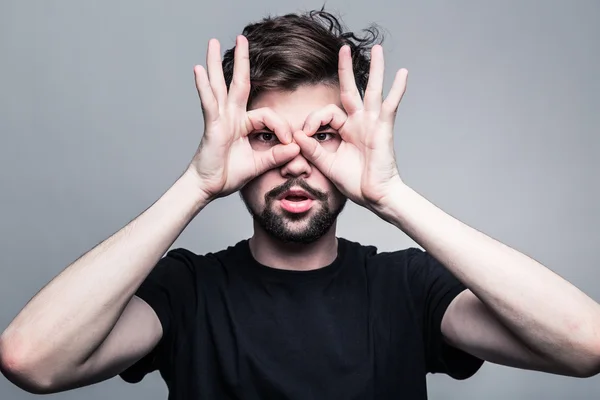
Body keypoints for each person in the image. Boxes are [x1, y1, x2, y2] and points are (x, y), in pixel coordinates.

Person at [1, 9, 599, 400]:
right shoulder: (187, 292)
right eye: (266, 137)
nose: (293, 161)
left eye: (322, 136)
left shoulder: (407, 289)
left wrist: (391, 195)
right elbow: (31, 360)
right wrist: (198, 183)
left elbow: (586, 345)